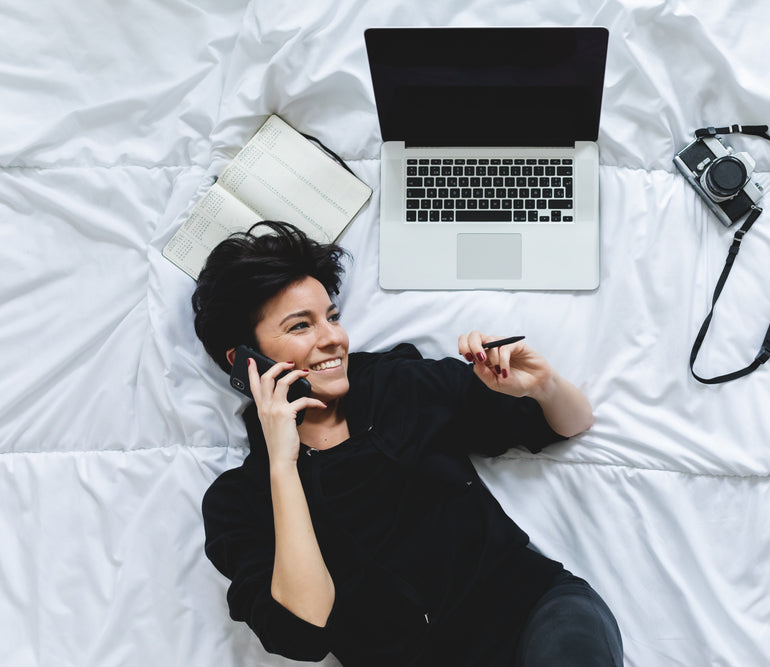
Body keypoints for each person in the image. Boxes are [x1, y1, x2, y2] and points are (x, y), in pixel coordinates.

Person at [193, 221, 623, 666]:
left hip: (534, 613)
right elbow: (305, 632)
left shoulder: (398, 384)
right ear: (244, 360)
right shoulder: (238, 501)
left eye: (333, 317)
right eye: (301, 326)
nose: (333, 339)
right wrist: (283, 464)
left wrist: (545, 385)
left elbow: (567, 424)